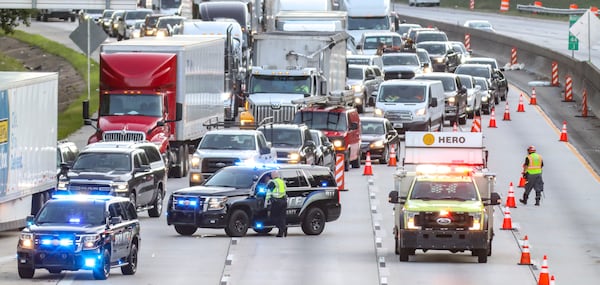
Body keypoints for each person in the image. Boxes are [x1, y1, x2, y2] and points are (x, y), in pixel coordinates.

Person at [266, 170, 288, 237]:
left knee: (273, 217)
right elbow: (285, 190)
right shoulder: (282, 182)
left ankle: (283, 228)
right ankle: (281, 232)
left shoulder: (273, 182)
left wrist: (268, 200)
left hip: (276, 202)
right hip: (284, 201)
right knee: (282, 217)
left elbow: (268, 191)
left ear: (273, 176)